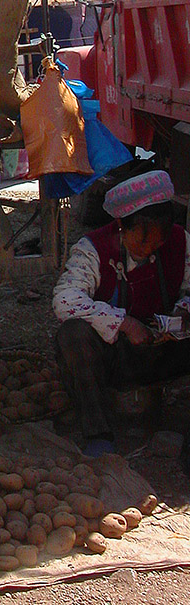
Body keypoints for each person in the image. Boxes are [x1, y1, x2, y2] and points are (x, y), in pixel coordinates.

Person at [53, 170, 190, 457]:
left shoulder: (181, 242)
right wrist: (125, 323)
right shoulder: (92, 249)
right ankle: (98, 433)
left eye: (157, 244)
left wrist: (182, 312)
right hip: (116, 358)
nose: (148, 250)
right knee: (73, 335)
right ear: (121, 227)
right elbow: (65, 300)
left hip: (164, 351)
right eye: (141, 242)